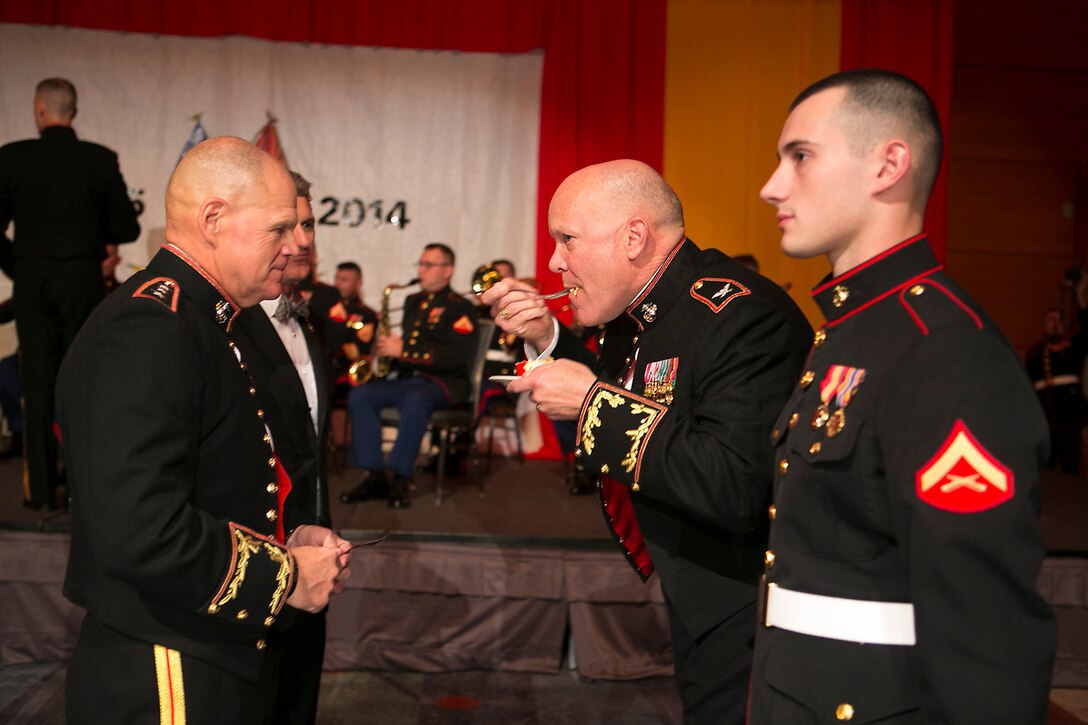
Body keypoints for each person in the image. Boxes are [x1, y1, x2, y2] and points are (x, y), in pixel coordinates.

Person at [750, 69, 1055, 723]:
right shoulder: (853, 331)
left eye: (800, 156)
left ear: (888, 165)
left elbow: (986, 639)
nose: (772, 186)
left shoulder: (944, 350)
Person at [479, 159, 811, 724]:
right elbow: (627, 395)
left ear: (634, 238)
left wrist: (592, 404)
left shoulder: (743, 316)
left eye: (567, 239)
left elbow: (732, 485)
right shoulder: (646, 310)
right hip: (699, 585)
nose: (554, 261)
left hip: (747, 601)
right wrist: (547, 336)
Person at [57, 137, 351, 724]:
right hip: (166, 662)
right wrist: (284, 577)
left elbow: (217, 482)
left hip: (209, 645)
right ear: (213, 220)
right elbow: (140, 527)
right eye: (278, 228)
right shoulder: (150, 326)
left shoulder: (205, 320)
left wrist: (286, 538)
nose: (295, 245)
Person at [0, 78, 141, 510]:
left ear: (39, 109)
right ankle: (85, 489)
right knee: (84, 382)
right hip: (82, 278)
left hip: (33, 279)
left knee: (37, 382)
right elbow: (126, 227)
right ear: (73, 112)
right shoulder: (99, 160)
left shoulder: (12, 157)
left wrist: (20, 266)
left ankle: (42, 494)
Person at [230, 170, 334, 725]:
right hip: (254, 558)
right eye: (286, 226)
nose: (302, 240)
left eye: (309, 225)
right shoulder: (229, 325)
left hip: (315, 548)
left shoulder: (308, 319)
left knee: (299, 699)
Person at [341, 243, 478, 509]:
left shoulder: (461, 307)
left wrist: (404, 350)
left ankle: (401, 477)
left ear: (447, 270)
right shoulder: (412, 301)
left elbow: (455, 357)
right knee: (361, 394)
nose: (421, 270)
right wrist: (387, 351)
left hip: (444, 383)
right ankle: (375, 475)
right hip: (408, 379)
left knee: (415, 398)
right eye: (420, 264)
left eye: (428, 265)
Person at [1025, 275, 1088, 474]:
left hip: (1068, 413)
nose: (1053, 324)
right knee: (1046, 466)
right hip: (1044, 415)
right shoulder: (1035, 352)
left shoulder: (1073, 347)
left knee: (1070, 462)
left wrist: (1080, 297)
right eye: (1050, 320)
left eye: (1057, 320)